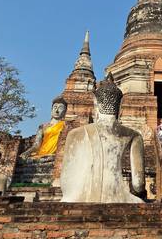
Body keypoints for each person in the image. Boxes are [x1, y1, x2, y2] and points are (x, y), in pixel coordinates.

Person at [60, 73, 145, 203]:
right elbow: (138, 185)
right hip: (118, 198)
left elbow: (65, 183)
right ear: (120, 106)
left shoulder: (75, 134)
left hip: (78, 198)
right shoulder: (134, 136)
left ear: (95, 103)